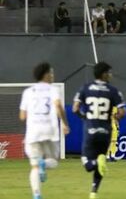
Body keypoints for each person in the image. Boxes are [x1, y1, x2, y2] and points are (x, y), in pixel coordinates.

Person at [73, 62, 126, 199]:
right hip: (106, 131)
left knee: (87, 163)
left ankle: (97, 162)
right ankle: (93, 192)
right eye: (109, 73)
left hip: (90, 129)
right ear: (104, 74)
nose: (111, 75)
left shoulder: (85, 88)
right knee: (101, 159)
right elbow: (122, 112)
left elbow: (75, 108)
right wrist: (115, 117)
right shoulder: (114, 91)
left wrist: (84, 117)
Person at [19, 62, 70, 199]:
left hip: (33, 133)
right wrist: (65, 124)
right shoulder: (53, 90)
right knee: (53, 161)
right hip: (49, 131)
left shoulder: (28, 92)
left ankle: (37, 194)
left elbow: (22, 116)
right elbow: (58, 105)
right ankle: (44, 163)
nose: (52, 76)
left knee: (34, 166)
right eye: (51, 73)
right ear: (46, 74)